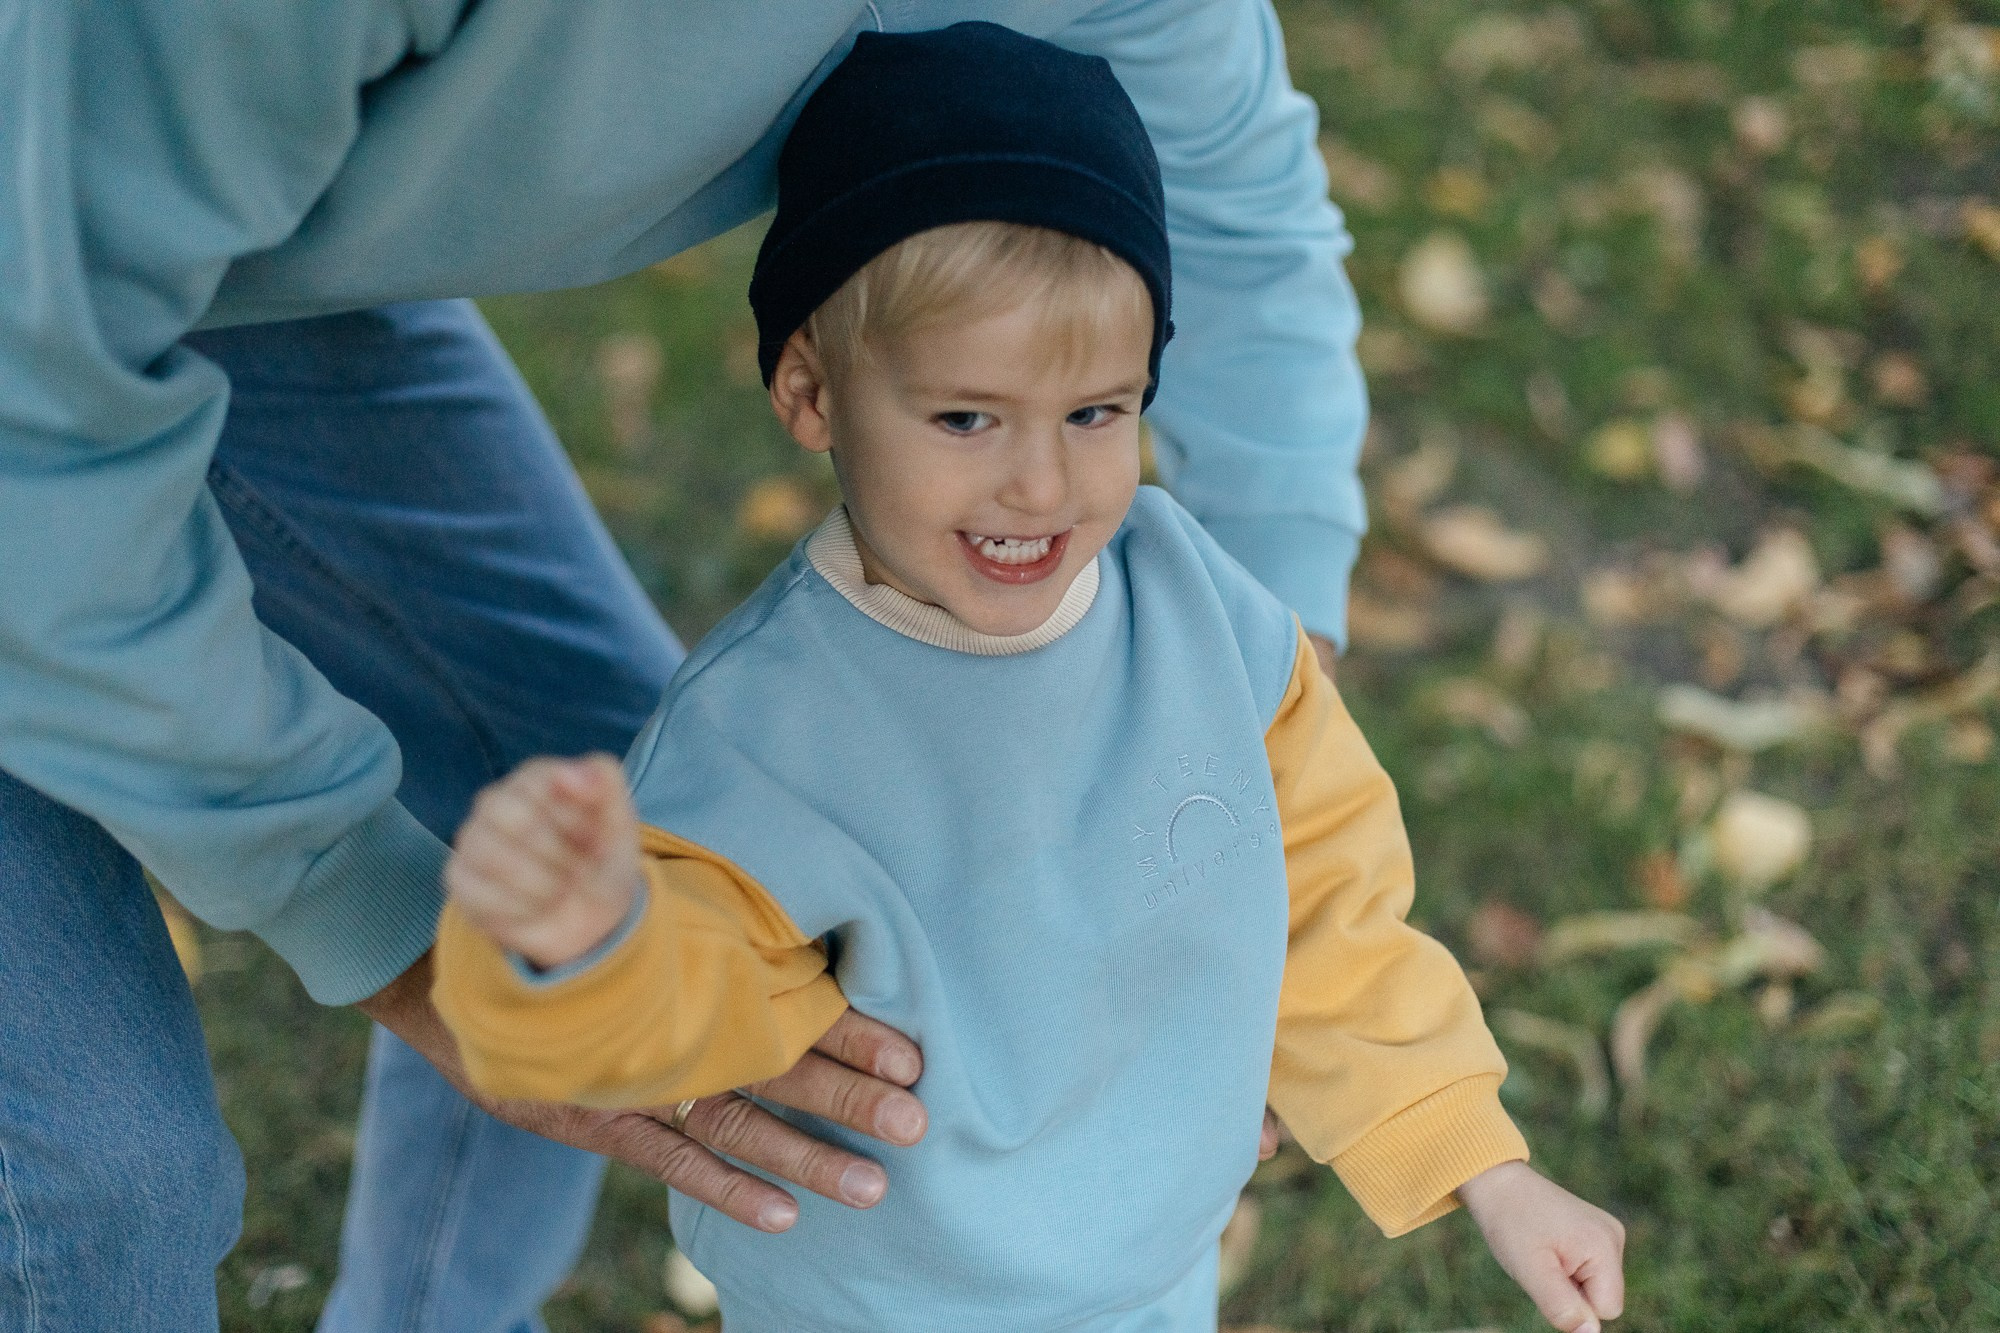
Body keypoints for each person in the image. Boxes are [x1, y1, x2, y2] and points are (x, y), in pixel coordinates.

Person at [3, 1, 1367, 1328]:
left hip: (203, 258)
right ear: (808, 394)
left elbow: (1233, 194)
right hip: (34, 300)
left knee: (627, 851)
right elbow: (39, 415)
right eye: (967, 420)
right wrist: (364, 907)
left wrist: (1249, 725)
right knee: (101, 1175)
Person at [432, 25, 1627, 1333]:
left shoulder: (1205, 618)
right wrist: (587, 940)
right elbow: (702, 1005)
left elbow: (1329, 907)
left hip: (1155, 1278)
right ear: (812, 391)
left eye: (1096, 412)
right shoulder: (763, 735)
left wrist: (1483, 1165)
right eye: (966, 418)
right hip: (878, 1310)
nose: (1041, 484)